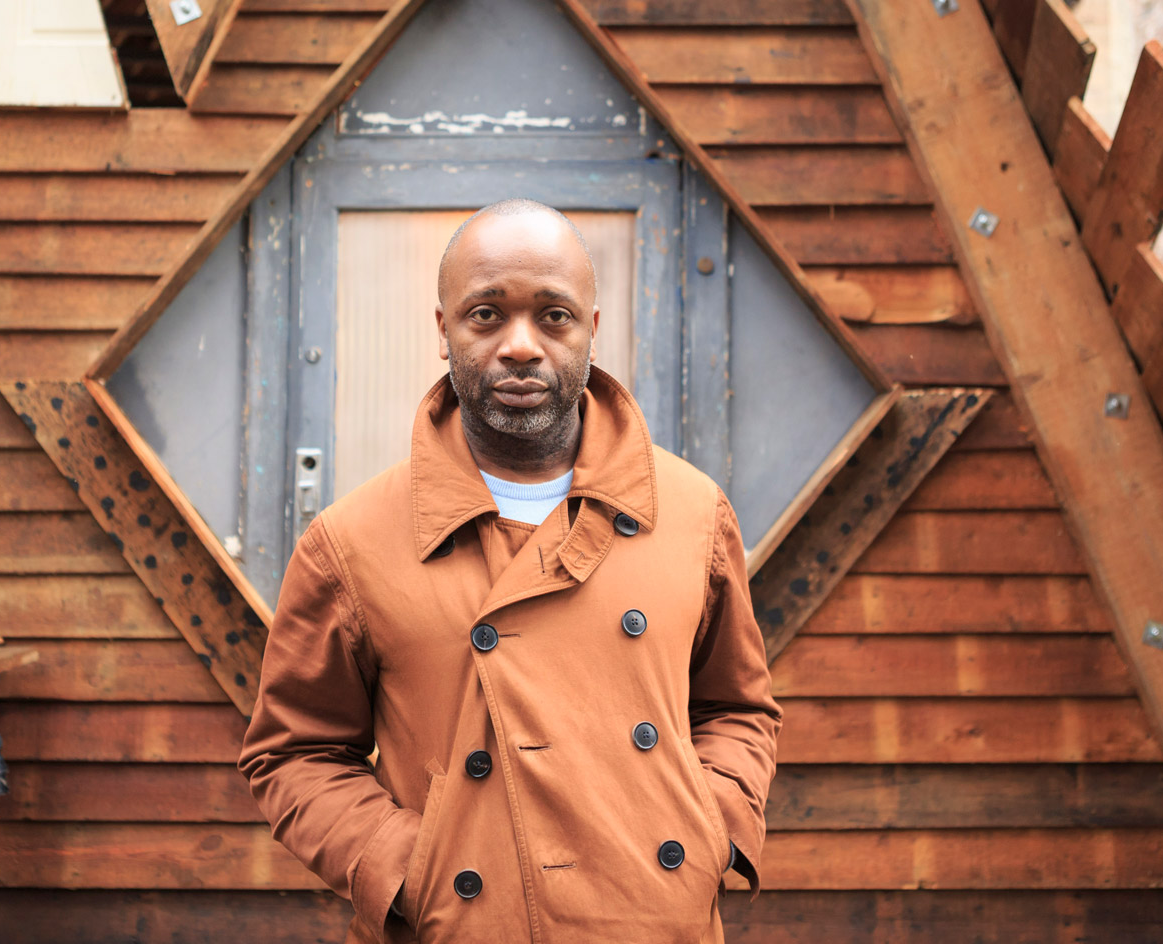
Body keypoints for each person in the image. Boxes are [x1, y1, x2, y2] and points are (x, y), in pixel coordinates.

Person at [238, 198, 783, 944]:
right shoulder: (351, 541)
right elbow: (295, 752)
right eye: (486, 314)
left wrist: (709, 833)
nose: (520, 345)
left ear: (594, 327)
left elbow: (737, 712)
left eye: (553, 316)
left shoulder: (692, 514)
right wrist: (406, 868)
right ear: (443, 331)